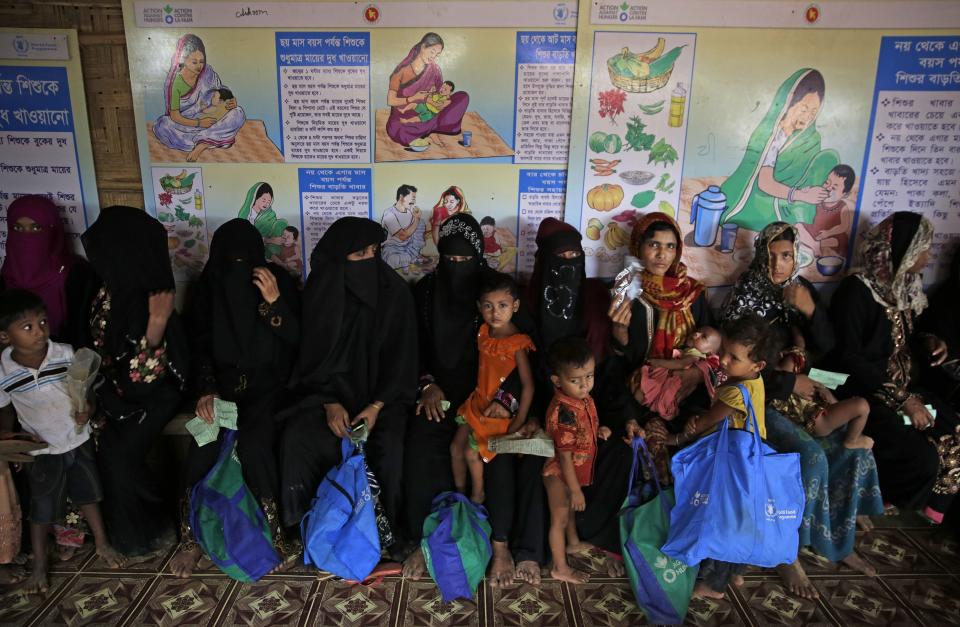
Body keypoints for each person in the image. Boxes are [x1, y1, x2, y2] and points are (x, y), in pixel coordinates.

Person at [723, 221, 882, 597]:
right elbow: (737, 371)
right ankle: (786, 552)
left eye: (787, 256)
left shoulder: (799, 290)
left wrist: (810, 312)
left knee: (850, 446)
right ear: (761, 256)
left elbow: (829, 348)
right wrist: (792, 383)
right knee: (811, 457)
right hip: (765, 400)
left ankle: (836, 543)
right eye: (773, 256)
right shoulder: (746, 297)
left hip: (806, 396)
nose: (779, 264)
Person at [401, 214, 542, 587]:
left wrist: (507, 401)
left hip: (491, 401)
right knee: (420, 444)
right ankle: (424, 538)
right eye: (450, 260)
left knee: (498, 457)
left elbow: (524, 355)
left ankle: (501, 547)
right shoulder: (426, 293)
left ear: (479, 256)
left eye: (466, 261)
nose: (458, 268)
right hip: (442, 395)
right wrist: (428, 385)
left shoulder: (495, 292)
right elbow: (412, 348)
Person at [279, 217, 417, 560]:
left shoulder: (394, 293)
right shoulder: (321, 295)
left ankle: (385, 536)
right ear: (340, 259)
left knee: (389, 446)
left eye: (374, 251)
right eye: (360, 255)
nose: (370, 260)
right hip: (327, 398)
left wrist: (375, 407)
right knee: (298, 438)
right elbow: (309, 361)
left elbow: (403, 361)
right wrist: (328, 402)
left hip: (381, 401)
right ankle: (307, 529)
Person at [170, 220, 300, 577]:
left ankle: (274, 537)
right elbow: (196, 348)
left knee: (257, 443)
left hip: (270, 389)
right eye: (232, 262)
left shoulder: (278, 283)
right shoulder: (209, 288)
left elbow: (297, 341)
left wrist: (274, 303)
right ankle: (191, 539)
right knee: (202, 444)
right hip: (222, 390)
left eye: (247, 261)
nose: (239, 270)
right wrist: (207, 390)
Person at [830, 212, 959, 526]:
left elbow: (904, 341)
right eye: (922, 250)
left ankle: (934, 506)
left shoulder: (904, 288)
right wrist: (904, 401)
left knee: (953, 426)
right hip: (861, 388)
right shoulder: (856, 292)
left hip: (903, 387)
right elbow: (848, 357)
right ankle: (887, 497)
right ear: (902, 251)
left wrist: (929, 342)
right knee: (920, 453)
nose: (927, 258)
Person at [0, 289, 126, 593]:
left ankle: (102, 543)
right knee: (42, 508)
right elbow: (5, 411)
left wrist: (89, 410)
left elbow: (87, 393)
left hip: (76, 438)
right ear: (5, 337)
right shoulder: (4, 371)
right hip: (41, 447)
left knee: (89, 495)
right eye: (27, 327)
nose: (40, 331)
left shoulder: (66, 354)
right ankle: (40, 565)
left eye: (43, 322)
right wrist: (9, 441)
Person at [82, 206, 189, 557]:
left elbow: (147, 380)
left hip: (156, 392)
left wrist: (155, 328)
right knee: (106, 446)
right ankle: (141, 530)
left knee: (120, 454)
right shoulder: (107, 293)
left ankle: (151, 530)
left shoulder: (153, 299)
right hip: (116, 391)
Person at [526, 218, 630, 574]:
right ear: (544, 260)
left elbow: (610, 368)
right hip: (544, 410)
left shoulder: (597, 297)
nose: (569, 262)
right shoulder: (526, 301)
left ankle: (595, 537)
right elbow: (516, 368)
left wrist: (611, 420)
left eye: (576, 254)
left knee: (619, 449)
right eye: (560, 256)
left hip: (591, 403)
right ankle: (550, 559)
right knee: (554, 495)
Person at [674, 315, 774, 600]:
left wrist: (678, 436)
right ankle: (736, 571)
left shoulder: (734, 391)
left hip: (734, 465)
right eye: (725, 352)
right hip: (754, 458)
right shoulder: (754, 380)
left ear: (757, 365)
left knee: (723, 522)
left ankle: (714, 585)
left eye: (734, 357)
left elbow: (707, 423)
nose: (724, 360)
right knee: (742, 519)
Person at [611, 212, 712, 481]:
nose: (662, 254)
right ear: (638, 247)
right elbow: (625, 362)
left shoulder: (694, 294)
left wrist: (694, 373)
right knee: (656, 455)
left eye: (670, 246)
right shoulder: (629, 293)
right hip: (644, 393)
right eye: (654, 245)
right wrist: (619, 331)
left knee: (706, 450)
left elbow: (712, 347)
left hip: (690, 392)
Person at [451, 272, 535, 504]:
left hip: (496, 414)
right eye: (488, 306)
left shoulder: (517, 343)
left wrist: (518, 422)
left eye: (502, 305)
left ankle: (477, 495)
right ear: (479, 307)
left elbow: (528, 386)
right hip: (476, 404)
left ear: (515, 306)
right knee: (456, 449)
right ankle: (459, 495)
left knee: (470, 453)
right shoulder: (484, 333)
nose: (495, 313)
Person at [721, 69, 840, 231]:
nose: (808, 118)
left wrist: (812, 194)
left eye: (814, 112)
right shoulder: (769, 136)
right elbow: (764, 183)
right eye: (804, 110)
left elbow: (809, 176)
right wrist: (802, 195)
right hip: (763, 198)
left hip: (799, 196)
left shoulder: (812, 138)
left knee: (829, 157)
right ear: (788, 103)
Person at [542, 337, 612, 585]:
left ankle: (572, 544)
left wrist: (598, 431)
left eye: (589, 376)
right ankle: (559, 567)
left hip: (572, 470)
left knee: (569, 510)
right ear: (557, 381)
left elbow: (583, 430)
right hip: (560, 473)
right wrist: (574, 489)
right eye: (575, 380)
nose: (585, 385)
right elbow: (564, 455)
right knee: (559, 518)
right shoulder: (564, 411)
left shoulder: (581, 399)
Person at [0, 195, 100, 348]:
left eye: (36, 228)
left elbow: (80, 335)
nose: (26, 236)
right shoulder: (6, 273)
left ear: (53, 231)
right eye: (17, 228)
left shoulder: (76, 274)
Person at [153, 34, 245, 162]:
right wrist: (199, 123)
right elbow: (174, 116)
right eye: (194, 62)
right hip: (188, 123)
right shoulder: (175, 82)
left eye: (201, 61)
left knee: (238, 113)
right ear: (183, 60)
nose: (199, 66)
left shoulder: (207, 72)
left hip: (213, 116)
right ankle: (212, 138)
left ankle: (203, 143)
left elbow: (221, 89)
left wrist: (231, 101)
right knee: (162, 125)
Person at [385, 33, 470, 147]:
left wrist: (444, 102)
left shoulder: (435, 69)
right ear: (423, 46)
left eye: (437, 55)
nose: (433, 57)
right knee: (398, 129)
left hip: (431, 112)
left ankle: (431, 126)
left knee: (462, 96)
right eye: (432, 52)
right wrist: (414, 98)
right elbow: (391, 101)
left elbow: (440, 93)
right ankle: (429, 129)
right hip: (407, 114)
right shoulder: (401, 71)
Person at [630, 325, 723, 421]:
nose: (696, 334)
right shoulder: (691, 352)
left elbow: (680, 364)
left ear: (709, 353)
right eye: (698, 331)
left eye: (703, 337)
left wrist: (657, 362)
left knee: (645, 391)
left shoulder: (695, 355)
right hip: (669, 377)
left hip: (670, 379)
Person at [800, 164, 856, 260]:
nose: (828, 188)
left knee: (835, 241)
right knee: (798, 226)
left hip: (832, 234)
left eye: (834, 188)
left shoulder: (842, 207)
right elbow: (809, 192)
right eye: (826, 183)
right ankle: (814, 246)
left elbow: (843, 226)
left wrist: (828, 233)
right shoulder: (819, 200)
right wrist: (805, 191)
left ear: (845, 195)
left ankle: (814, 244)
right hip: (816, 230)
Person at [381, 184, 426, 273]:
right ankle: (408, 259)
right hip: (392, 249)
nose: (414, 201)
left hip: (408, 248)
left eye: (415, 199)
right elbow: (402, 236)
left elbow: (418, 234)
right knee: (393, 259)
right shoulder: (389, 214)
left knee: (421, 222)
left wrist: (418, 219)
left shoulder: (411, 212)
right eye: (412, 198)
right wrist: (416, 219)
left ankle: (411, 257)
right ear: (401, 197)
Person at [238, 182, 288, 260]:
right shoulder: (244, 214)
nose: (266, 204)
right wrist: (269, 240)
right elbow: (244, 237)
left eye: (269, 202)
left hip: (265, 249)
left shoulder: (270, 214)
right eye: (263, 200)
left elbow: (274, 232)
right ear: (255, 197)